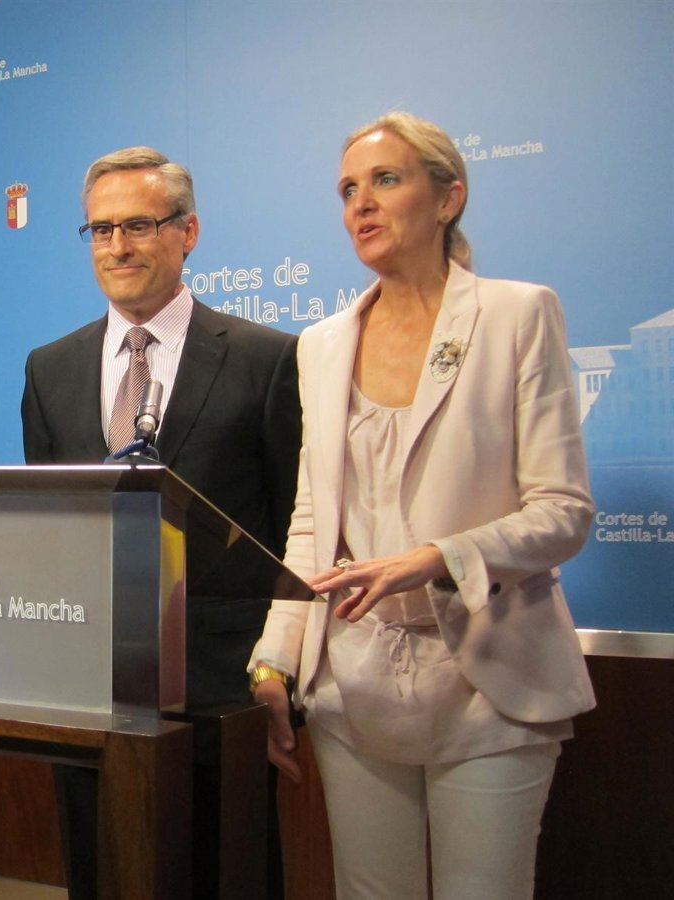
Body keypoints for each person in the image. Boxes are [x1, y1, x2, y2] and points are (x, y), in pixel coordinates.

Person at [249, 111, 595, 900]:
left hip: (490, 680)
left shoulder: (517, 314)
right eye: (347, 190)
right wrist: (276, 657)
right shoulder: (321, 345)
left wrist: (440, 558)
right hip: (353, 684)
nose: (361, 204)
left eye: (385, 180)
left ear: (448, 198)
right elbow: (312, 521)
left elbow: (563, 510)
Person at [22, 146, 301, 899]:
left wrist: (279, 665)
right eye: (101, 229)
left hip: (223, 685)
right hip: (88, 681)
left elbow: (293, 530)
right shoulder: (50, 368)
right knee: (101, 869)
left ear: (188, 232)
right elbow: (51, 530)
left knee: (227, 874)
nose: (118, 246)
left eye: (139, 225)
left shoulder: (267, 359)